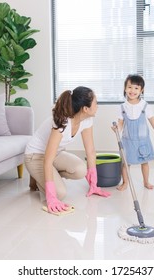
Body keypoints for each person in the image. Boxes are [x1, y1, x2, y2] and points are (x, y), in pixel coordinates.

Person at [24, 86, 111, 214]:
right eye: (96, 103)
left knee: (80, 170)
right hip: (35, 156)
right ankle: (38, 178)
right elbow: (47, 160)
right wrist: (52, 197)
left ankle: (45, 175)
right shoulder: (62, 122)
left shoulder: (87, 120)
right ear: (85, 109)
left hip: (56, 154)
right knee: (60, 193)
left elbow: (91, 151)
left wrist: (94, 184)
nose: (98, 106)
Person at [113, 74, 154, 191]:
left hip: (142, 141)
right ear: (125, 88)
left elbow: (152, 119)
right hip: (128, 140)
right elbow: (120, 122)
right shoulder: (123, 106)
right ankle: (125, 183)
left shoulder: (144, 105)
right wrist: (117, 129)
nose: (132, 91)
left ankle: (146, 181)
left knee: (144, 162)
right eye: (129, 87)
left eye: (136, 88)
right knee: (126, 163)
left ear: (141, 90)